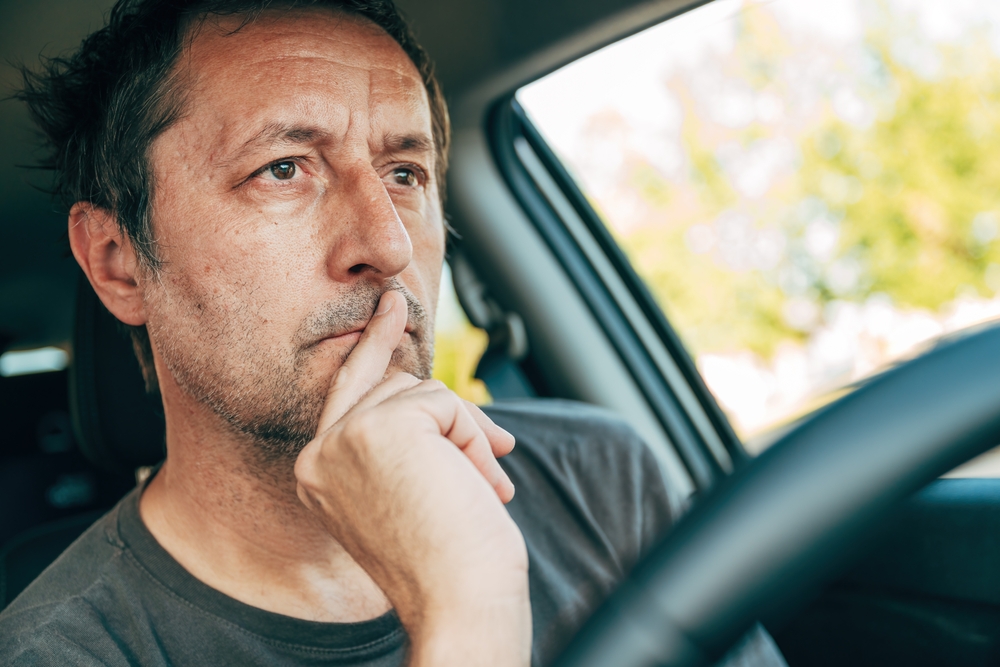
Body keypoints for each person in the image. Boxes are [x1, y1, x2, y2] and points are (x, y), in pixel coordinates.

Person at [0, 1, 787, 665]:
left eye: (405, 174)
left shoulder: (600, 475)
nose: (387, 244)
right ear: (118, 264)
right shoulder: (59, 649)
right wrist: (467, 608)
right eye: (283, 168)